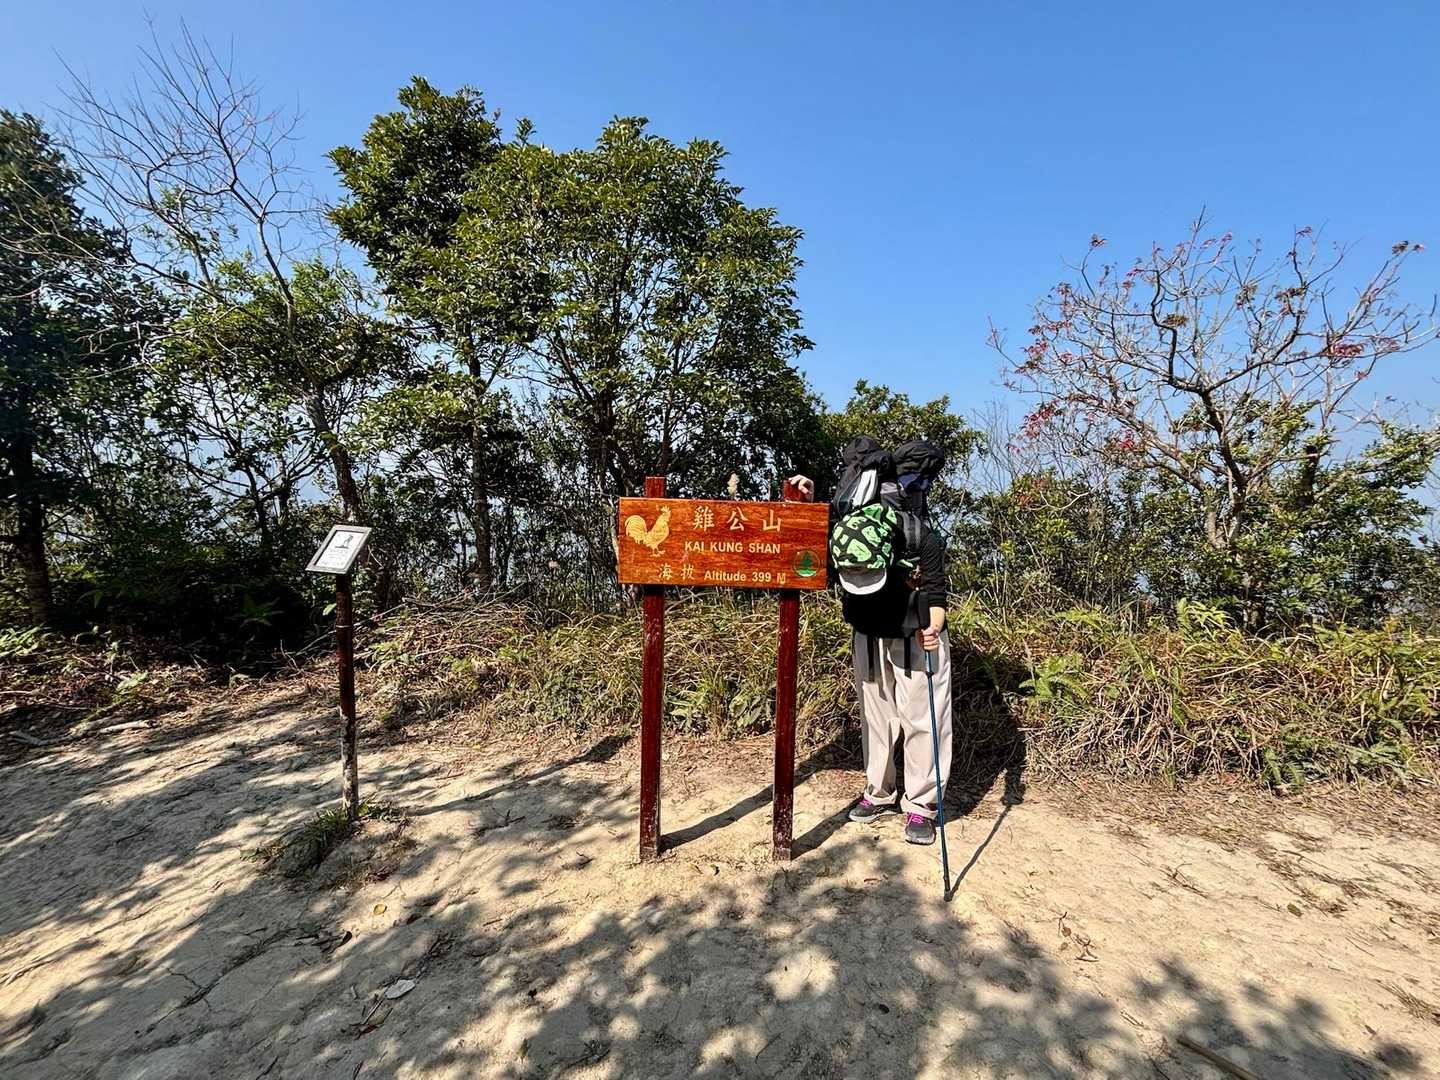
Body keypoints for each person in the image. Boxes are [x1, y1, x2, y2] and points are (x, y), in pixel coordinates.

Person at [788, 442, 952, 845]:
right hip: (867, 630)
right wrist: (806, 501)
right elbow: (808, 541)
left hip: (915, 632)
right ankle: (879, 793)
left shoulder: (917, 535)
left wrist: (933, 628)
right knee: (877, 719)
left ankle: (922, 806)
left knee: (923, 718)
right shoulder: (844, 531)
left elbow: (936, 591)